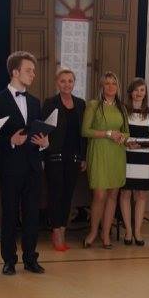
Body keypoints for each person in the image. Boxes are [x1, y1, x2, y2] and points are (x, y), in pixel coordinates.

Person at [0, 51, 48, 275]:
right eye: (28, 70)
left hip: (33, 166)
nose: (33, 74)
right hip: (10, 166)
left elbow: (38, 131)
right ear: (15, 72)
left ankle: (30, 258)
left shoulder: (35, 102)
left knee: (32, 214)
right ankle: (9, 260)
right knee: (9, 214)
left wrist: (44, 142)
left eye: (33, 70)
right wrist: (10, 140)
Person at [81, 72, 129, 249]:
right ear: (102, 86)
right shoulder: (93, 105)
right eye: (107, 83)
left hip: (117, 153)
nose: (110, 87)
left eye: (113, 84)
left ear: (118, 87)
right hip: (99, 152)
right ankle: (93, 231)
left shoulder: (122, 108)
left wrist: (122, 137)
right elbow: (85, 131)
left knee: (112, 195)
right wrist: (108, 133)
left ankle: (106, 234)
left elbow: (127, 132)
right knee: (99, 195)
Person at [41, 67, 86, 252]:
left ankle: (63, 229)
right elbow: (44, 130)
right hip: (54, 156)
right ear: (57, 83)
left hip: (74, 157)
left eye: (70, 81)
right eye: (63, 81)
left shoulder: (81, 104)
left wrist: (83, 157)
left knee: (68, 196)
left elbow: (83, 134)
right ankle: (56, 232)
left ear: (74, 83)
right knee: (56, 195)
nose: (67, 84)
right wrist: (43, 153)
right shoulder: (50, 103)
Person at [119, 78, 149, 246]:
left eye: (142, 90)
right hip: (126, 156)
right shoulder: (122, 110)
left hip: (144, 158)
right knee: (125, 193)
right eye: (136, 90)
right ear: (130, 92)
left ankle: (138, 231)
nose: (139, 93)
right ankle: (128, 231)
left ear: (145, 93)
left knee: (141, 195)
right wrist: (126, 142)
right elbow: (118, 133)